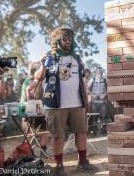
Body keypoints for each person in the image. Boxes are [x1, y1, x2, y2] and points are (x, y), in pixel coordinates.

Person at [34, 27, 97, 175]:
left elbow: (81, 80)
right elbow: (38, 77)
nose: (68, 41)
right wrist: (43, 64)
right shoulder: (51, 56)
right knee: (58, 136)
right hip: (56, 104)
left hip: (77, 103)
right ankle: (59, 165)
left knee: (81, 132)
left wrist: (85, 100)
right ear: (58, 41)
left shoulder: (77, 58)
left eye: (70, 39)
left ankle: (82, 162)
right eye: (64, 39)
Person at [20, 62, 49, 157]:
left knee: (44, 128)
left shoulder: (36, 81)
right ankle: (34, 151)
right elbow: (29, 97)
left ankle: (40, 151)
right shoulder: (32, 81)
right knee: (42, 129)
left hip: (34, 109)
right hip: (29, 110)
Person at [87, 68, 108, 136]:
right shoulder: (92, 80)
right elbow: (87, 88)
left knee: (103, 117)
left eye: (100, 72)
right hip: (94, 102)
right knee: (94, 117)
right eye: (98, 72)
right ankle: (94, 131)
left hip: (102, 102)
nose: (99, 73)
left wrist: (105, 95)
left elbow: (109, 88)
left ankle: (103, 131)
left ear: (102, 73)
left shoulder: (105, 80)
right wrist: (92, 95)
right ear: (95, 73)